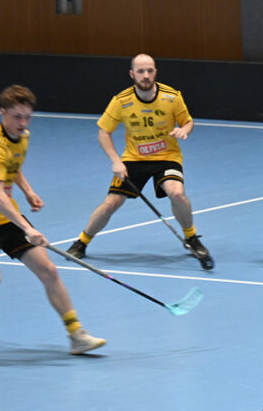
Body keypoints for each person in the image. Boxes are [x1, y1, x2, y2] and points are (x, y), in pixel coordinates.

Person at [0, 85, 106, 364]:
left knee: (49, 270)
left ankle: (76, 334)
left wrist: (27, 190)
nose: (23, 123)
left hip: (5, 217)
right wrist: (27, 227)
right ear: (3, 113)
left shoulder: (21, 136)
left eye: (27, 117)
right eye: (17, 117)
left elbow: (12, 167)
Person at [66, 54, 212, 268]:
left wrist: (184, 130)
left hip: (167, 157)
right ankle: (82, 242)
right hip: (133, 159)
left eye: (150, 70)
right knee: (111, 203)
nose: (146, 75)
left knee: (177, 194)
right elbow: (103, 132)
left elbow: (188, 122)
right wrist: (116, 161)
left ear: (155, 72)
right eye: (141, 71)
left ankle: (191, 238)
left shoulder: (172, 96)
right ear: (132, 74)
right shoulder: (121, 101)